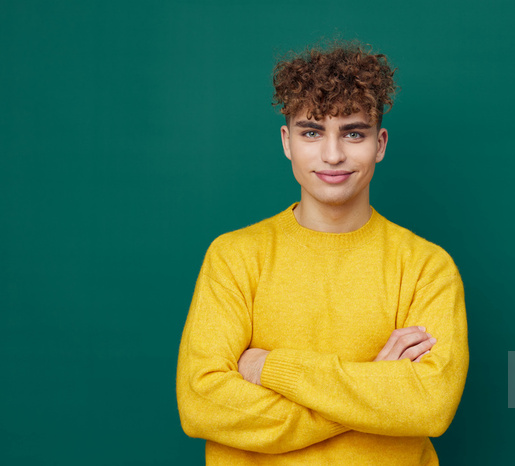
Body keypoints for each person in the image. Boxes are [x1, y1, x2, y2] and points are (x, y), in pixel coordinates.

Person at [176, 40, 469, 465]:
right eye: (311, 132)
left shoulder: (427, 267)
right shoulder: (233, 257)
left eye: (353, 133)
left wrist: (271, 368)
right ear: (286, 142)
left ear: (380, 144)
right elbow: (202, 405)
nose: (332, 155)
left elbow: (429, 404)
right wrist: (377, 388)